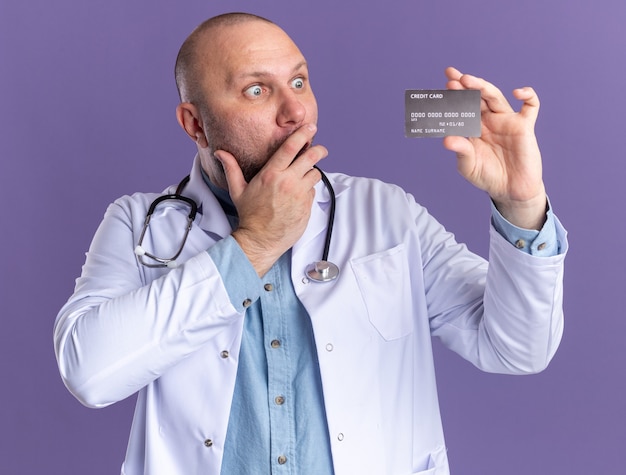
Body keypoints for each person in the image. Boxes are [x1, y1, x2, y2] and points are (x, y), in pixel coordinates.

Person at [54, 12, 567, 475]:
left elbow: (517, 349)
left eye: (299, 81)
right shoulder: (138, 223)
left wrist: (522, 204)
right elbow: (90, 373)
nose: (295, 111)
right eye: (257, 90)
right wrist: (253, 243)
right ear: (195, 124)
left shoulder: (387, 213)